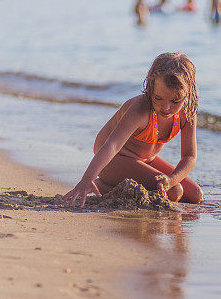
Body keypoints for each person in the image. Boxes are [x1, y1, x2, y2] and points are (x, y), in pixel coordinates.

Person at [63, 53, 204, 208]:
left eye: (175, 101)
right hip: (113, 160)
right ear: (150, 88)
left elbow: (189, 156)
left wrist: (171, 179)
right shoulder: (140, 110)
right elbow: (112, 146)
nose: (166, 107)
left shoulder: (187, 113)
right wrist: (87, 178)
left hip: (146, 159)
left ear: (188, 92)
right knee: (174, 192)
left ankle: (117, 185)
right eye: (158, 98)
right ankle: (104, 185)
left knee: (195, 195)